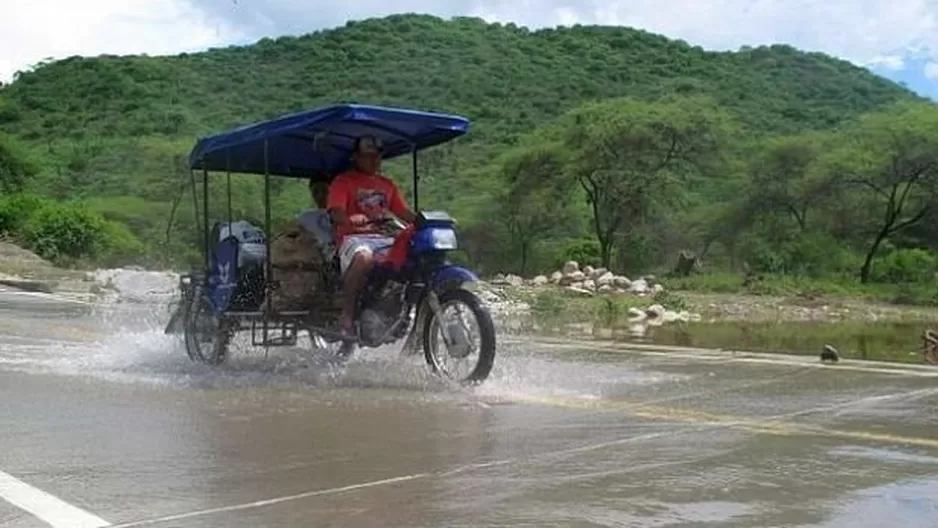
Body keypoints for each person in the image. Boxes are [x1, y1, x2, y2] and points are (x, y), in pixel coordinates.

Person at [327, 135, 416, 338]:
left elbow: (404, 213)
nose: (374, 161)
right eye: (368, 157)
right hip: (354, 238)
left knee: (415, 254)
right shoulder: (343, 182)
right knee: (364, 257)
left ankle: (403, 309)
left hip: (385, 237)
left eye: (377, 156)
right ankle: (347, 314)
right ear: (356, 158)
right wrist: (350, 219)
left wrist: (425, 220)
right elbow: (335, 212)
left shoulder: (388, 184)